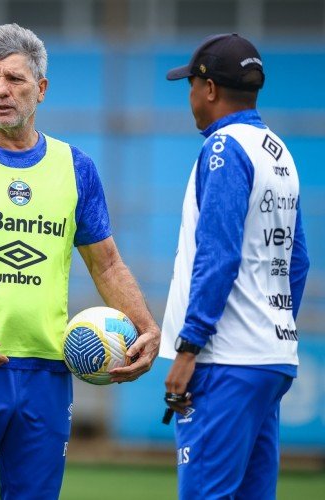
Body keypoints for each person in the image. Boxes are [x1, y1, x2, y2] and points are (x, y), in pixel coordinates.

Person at [0, 23, 160, 499]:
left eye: (15, 79)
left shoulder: (76, 167)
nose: (1, 90)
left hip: (48, 370)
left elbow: (106, 264)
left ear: (40, 89)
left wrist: (146, 327)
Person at [161, 33, 310, 499]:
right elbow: (298, 262)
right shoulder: (278, 151)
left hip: (225, 361)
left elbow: (218, 254)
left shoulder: (223, 149)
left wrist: (189, 350)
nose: (189, 97)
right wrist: (272, 324)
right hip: (271, 358)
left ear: (208, 89)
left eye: (190, 85)